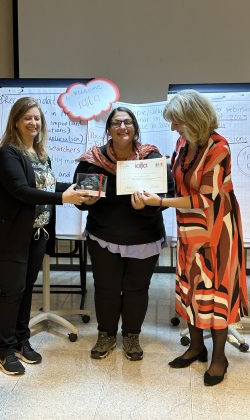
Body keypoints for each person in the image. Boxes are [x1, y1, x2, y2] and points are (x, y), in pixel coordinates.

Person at [141, 90, 248, 386]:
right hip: (188, 228)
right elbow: (176, 175)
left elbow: (203, 198)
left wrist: (159, 203)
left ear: (194, 119)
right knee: (189, 285)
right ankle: (196, 346)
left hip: (216, 230)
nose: (173, 128)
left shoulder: (219, 148)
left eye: (177, 122)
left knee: (214, 291)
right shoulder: (184, 143)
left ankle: (219, 358)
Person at [74, 106, 175, 361]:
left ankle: (131, 336)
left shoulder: (150, 157)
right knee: (106, 288)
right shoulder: (92, 160)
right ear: (108, 129)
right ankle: (106, 334)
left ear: (135, 128)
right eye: (117, 123)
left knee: (136, 289)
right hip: (103, 237)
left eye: (128, 122)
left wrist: (145, 206)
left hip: (144, 236)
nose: (122, 127)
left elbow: (166, 194)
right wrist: (86, 200)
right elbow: (79, 197)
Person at [0, 97, 88, 376]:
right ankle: (4, 349)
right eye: (27, 117)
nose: (34, 122)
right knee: (11, 292)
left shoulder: (41, 154)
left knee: (26, 289)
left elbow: (47, 184)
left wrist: (76, 187)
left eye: (37, 118)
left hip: (38, 234)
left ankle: (21, 340)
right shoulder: (8, 154)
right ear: (15, 121)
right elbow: (22, 191)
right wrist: (65, 196)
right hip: (13, 236)